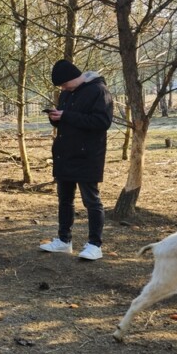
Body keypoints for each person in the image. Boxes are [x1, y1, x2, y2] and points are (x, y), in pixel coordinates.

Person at [40, 58, 114, 261]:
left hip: (88, 155)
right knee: (64, 199)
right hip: (64, 154)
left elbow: (102, 122)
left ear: (74, 77)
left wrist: (67, 116)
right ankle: (64, 241)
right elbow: (65, 120)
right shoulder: (67, 93)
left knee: (92, 201)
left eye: (64, 84)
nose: (63, 88)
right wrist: (55, 117)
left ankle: (94, 245)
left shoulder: (99, 91)